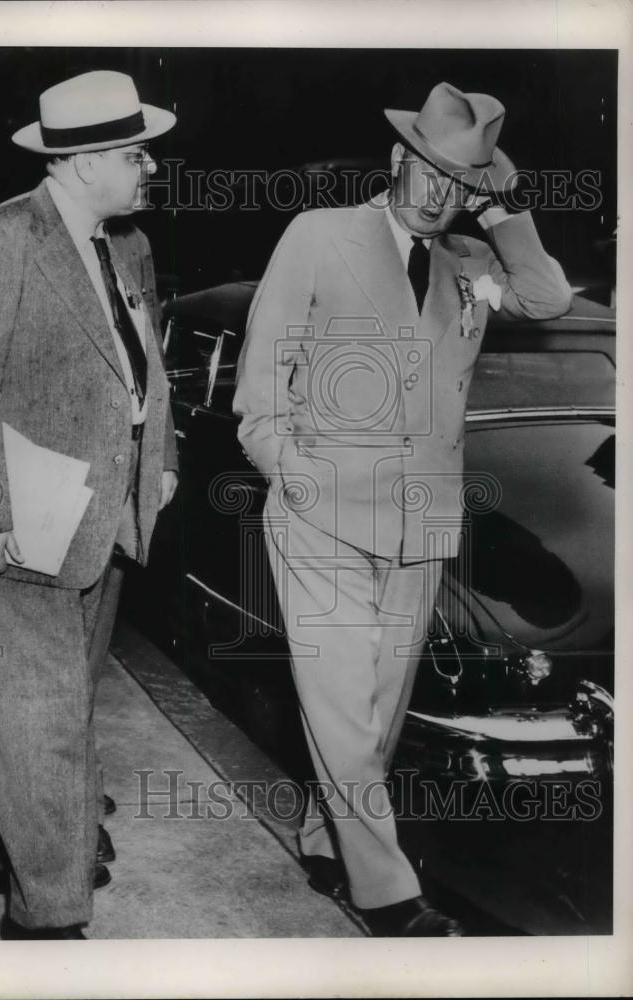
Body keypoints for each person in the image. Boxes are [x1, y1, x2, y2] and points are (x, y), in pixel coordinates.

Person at [233, 82, 572, 936]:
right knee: (342, 701)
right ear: (397, 160)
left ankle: (326, 837)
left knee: (379, 709)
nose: (443, 195)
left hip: (422, 520)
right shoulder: (318, 236)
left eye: (463, 183)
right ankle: (389, 895)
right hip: (322, 516)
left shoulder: (471, 263)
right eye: (432, 174)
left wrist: (508, 211)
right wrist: (288, 471)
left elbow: (550, 299)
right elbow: (262, 379)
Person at [0, 70, 178, 939]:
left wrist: (164, 460)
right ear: (80, 164)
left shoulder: (126, 245)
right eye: (131, 152)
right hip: (19, 516)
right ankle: (45, 918)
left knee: (58, 699)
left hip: (102, 511)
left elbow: (146, 362)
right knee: (39, 717)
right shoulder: (2, 241)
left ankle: (5, 850)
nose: (147, 165)